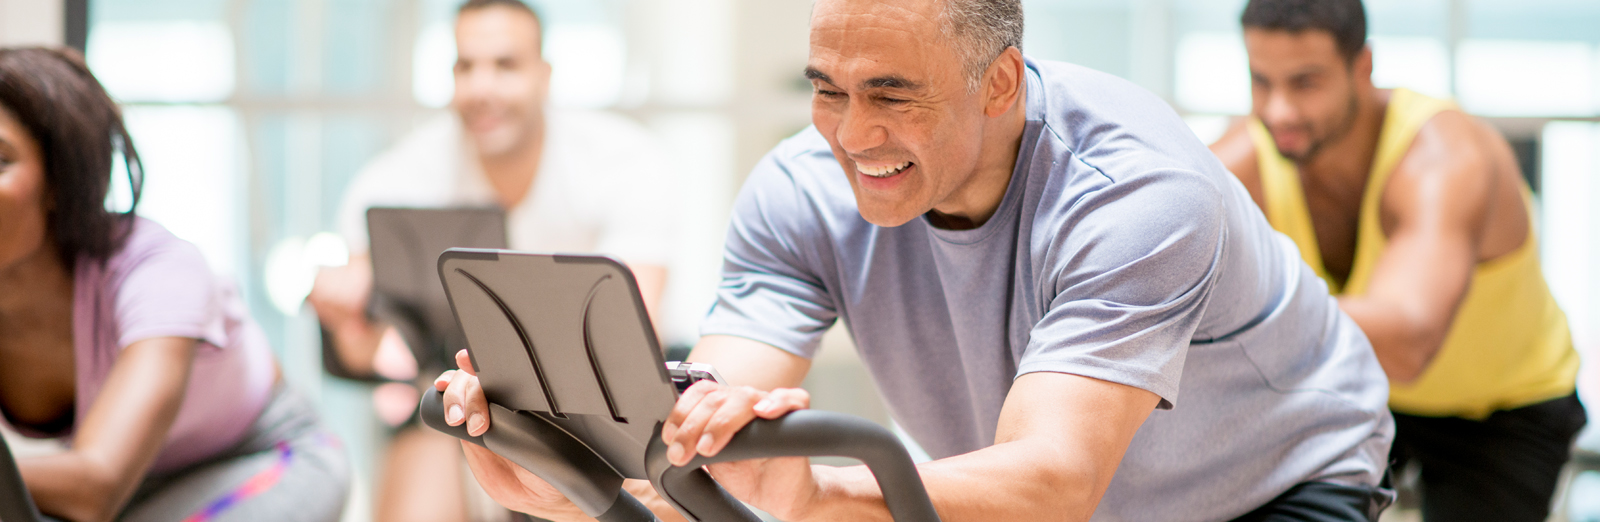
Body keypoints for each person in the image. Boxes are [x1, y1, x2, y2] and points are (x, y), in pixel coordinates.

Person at [432, 0, 1398, 520]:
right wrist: (573, 482)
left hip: (1277, 480)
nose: (852, 134)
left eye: (891, 92)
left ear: (1001, 83)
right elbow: (715, 432)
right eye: (828, 89)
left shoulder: (1133, 193)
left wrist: (820, 493)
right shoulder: (801, 190)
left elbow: (1053, 480)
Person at [1207, 1, 1587, 519]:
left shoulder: (1443, 158)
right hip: (1359, 390)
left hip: (1501, 410)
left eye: (1305, 83)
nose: (1279, 111)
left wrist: (1238, 305)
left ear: (1362, 68)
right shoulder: (1247, 157)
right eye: (1261, 82)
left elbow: (1409, 343)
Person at [304, 1, 678, 521]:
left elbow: (637, 334)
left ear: (544, 75)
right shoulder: (392, 181)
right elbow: (370, 356)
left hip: (591, 412)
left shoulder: (623, 163)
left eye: (505, 65)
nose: (482, 88)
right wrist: (347, 314)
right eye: (465, 67)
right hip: (459, 405)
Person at [0, 47, 349, 522]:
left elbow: (95, 485)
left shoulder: (156, 269)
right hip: (134, 487)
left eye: (0, 160)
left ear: (60, 181)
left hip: (266, 457)